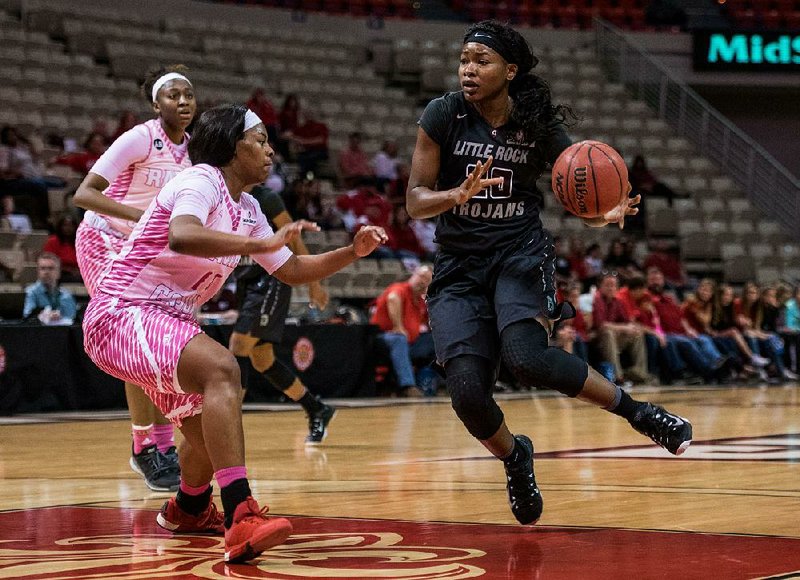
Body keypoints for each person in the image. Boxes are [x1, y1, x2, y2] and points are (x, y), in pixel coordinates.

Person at [406, 19, 692, 526]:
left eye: (482, 61)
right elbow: (414, 200)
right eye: (464, 60)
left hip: (518, 253)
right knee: (468, 394)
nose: (468, 69)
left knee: (528, 359)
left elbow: (578, 178)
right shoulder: (443, 113)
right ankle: (515, 455)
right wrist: (454, 195)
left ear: (510, 70)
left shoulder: (534, 121)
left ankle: (642, 414)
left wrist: (601, 212)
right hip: (458, 268)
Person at [82, 104, 388, 562]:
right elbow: (182, 235)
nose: (270, 150)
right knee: (224, 368)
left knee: (209, 437)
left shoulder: (248, 208)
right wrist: (256, 245)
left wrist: (351, 251)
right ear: (230, 144)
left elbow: (291, 269)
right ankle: (241, 514)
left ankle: (187, 507)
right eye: (260, 140)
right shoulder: (198, 179)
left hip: (168, 321)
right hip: (121, 312)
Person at [73, 65, 197, 492]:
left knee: (158, 342)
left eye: (189, 95)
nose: (183, 102)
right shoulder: (140, 138)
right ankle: (144, 447)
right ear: (155, 103)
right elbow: (85, 193)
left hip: (141, 248)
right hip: (103, 237)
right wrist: (143, 218)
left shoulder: (194, 152)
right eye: (173, 95)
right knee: (133, 335)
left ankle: (160, 446)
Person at [228, 183, 335, 445]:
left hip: (270, 279)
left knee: (238, 344)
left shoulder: (266, 198)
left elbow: (294, 236)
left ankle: (228, 422)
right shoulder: (223, 193)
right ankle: (316, 407)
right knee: (262, 359)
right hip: (246, 280)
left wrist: (314, 281)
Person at [370, 265, 435, 397]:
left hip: (409, 343)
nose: (422, 281)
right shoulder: (399, 288)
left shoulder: (420, 302)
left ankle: (434, 384)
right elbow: (393, 298)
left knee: (436, 340)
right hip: (382, 338)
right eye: (421, 276)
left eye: (427, 279)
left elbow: (427, 323)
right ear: (413, 275)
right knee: (399, 338)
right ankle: (408, 386)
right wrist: (398, 326)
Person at [592, 273, 650, 384]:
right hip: (597, 340)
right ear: (600, 286)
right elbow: (602, 325)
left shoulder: (617, 302)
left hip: (614, 339)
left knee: (637, 333)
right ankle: (618, 376)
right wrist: (624, 328)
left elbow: (627, 322)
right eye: (607, 285)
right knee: (608, 333)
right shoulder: (597, 299)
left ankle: (639, 373)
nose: (610, 288)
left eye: (613, 285)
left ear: (617, 288)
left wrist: (632, 327)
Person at [23, 252, 77, 325]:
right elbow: (27, 315)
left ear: (58, 272)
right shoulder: (30, 292)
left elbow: (72, 318)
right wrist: (43, 316)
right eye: (43, 268)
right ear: (38, 272)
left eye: (51, 268)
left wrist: (59, 316)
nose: (46, 272)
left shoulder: (66, 295)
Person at [42, 214, 80, 282]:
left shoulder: (80, 242)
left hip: (77, 272)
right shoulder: (53, 241)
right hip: (59, 272)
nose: (68, 228)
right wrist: (68, 270)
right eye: (65, 225)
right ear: (60, 227)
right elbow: (49, 261)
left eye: (71, 225)